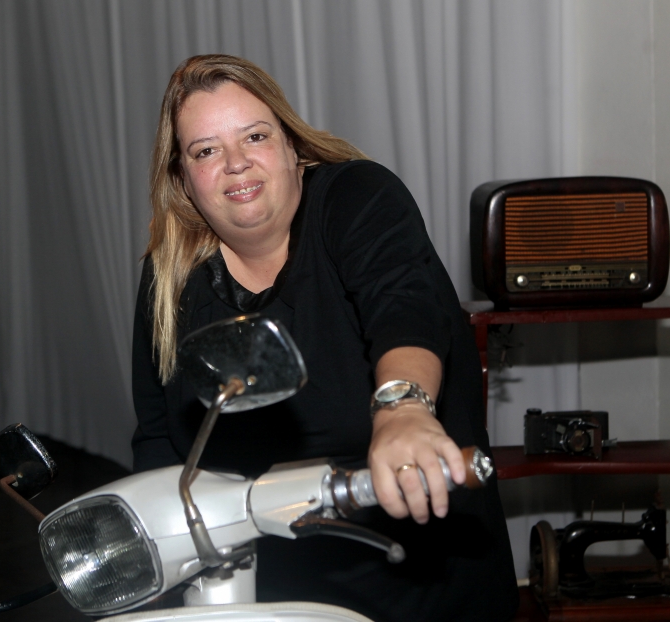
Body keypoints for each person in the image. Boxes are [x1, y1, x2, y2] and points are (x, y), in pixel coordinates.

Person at [131, 54, 518, 622]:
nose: (236, 163)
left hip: (419, 574)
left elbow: (403, 306)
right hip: (259, 588)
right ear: (183, 180)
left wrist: (403, 407)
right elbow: (160, 439)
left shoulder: (355, 197)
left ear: (292, 146)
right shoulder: (169, 275)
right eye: (206, 151)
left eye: (255, 136)